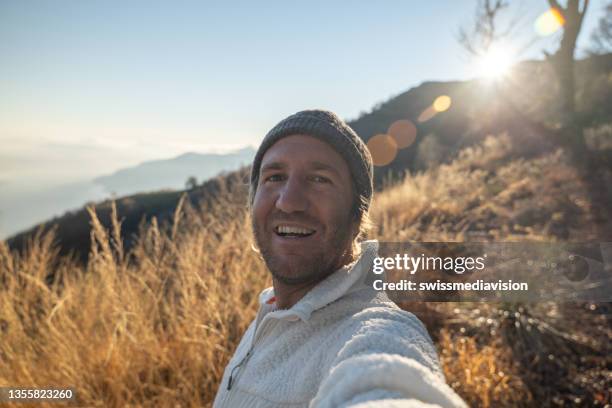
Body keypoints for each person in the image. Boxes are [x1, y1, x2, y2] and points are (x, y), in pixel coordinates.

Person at [213, 110, 466, 408]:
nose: (289, 201)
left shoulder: (376, 331)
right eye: (274, 177)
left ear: (358, 216)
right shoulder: (270, 311)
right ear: (252, 203)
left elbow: (385, 378)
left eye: (320, 179)